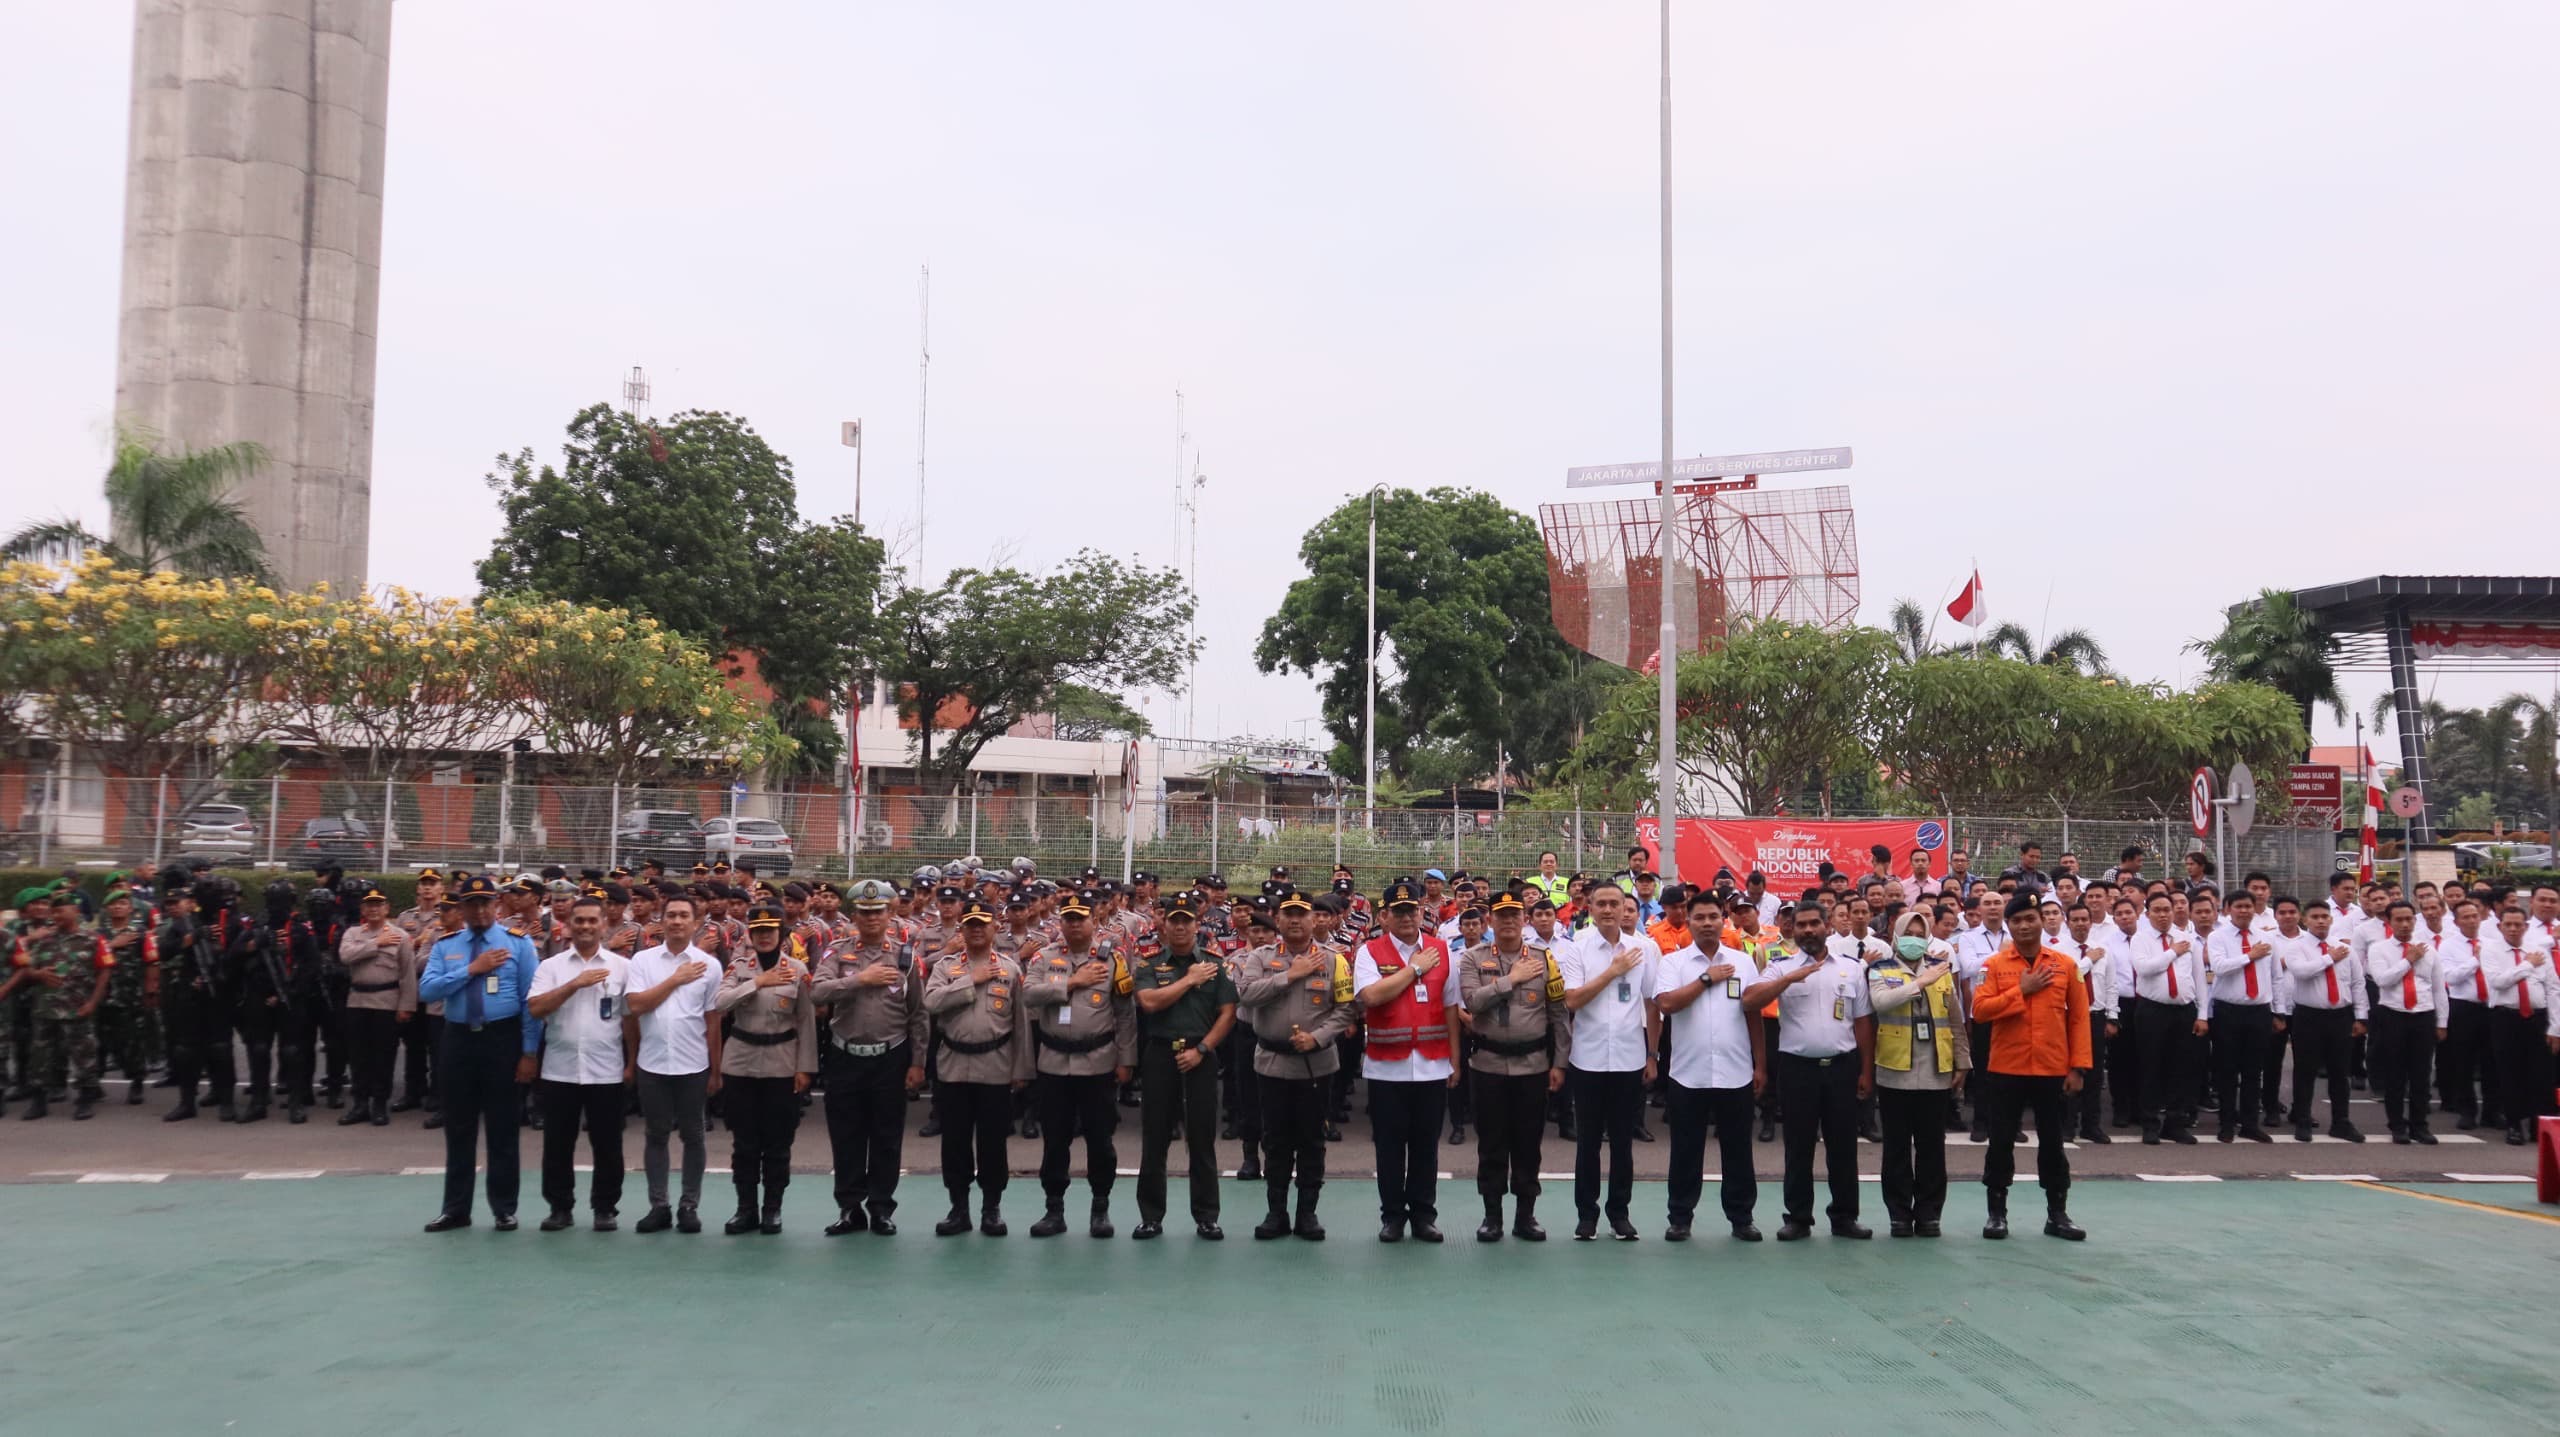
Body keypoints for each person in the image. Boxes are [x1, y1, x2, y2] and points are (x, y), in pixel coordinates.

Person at [1741, 903, 1875, 1241]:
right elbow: (1750, 1001)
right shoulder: (1779, 966)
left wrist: (1866, 1070)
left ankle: (1845, 1216)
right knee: (1798, 1146)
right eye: (1801, 925)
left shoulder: (1852, 968)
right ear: (1792, 929)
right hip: (1797, 1069)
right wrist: (1788, 979)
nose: (1809, 930)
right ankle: (1798, 1218)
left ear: (1828, 925)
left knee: (1843, 1146)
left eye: (1815, 923)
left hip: (1843, 1067)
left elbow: (1862, 1022)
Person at [416, 875, 543, 1232]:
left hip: (501, 1039)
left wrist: (529, 1052)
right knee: (458, 1128)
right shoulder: (447, 945)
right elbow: (427, 991)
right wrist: (472, 969)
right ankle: (456, 1208)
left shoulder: (518, 944)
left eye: (487, 902)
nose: (481, 909)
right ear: (463, 908)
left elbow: (529, 1003)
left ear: (497, 905)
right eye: (473, 903)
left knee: (503, 1127)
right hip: (458, 1039)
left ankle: (504, 1207)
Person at [1233, 887, 1356, 1241]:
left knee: (1312, 1140)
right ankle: (1276, 1212)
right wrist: (1291, 974)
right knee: (1275, 1141)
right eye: (1289, 914)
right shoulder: (1259, 957)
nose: (1296, 920)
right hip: (1271, 1063)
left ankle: (1307, 1213)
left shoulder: (1335, 960)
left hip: (1316, 1064)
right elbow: (1246, 994)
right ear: (1278, 920)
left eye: (1302, 914)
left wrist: (1318, 1037)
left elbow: (1346, 1008)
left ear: (1313, 919)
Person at [808, 879, 928, 1236]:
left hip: (890, 1058)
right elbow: (817, 992)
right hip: (846, 1057)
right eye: (864, 912)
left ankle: (880, 1208)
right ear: (854, 915)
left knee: (886, 1137)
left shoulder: (906, 957)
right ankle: (849, 1208)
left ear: (891, 914)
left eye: (878, 912)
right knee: (846, 1136)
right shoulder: (837, 953)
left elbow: (918, 1013)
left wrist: (918, 1061)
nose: (871, 918)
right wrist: (861, 979)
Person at [1969, 892, 2089, 1241]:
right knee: (2000, 1143)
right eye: (2017, 920)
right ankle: (1996, 1213)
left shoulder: (2065, 965)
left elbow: (2079, 1020)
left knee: (2053, 1144)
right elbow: (1981, 1011)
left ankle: (2057, 1213)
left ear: (2044, 921)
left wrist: (2078, 1067)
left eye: (2030, 918)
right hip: (2007, 1067)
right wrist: (2021, 991)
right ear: (2008, 925)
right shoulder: (1992, 965)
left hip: (2053, 1068)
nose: (2024, 925)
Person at [1018, 889, 1137, 1238]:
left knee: (1100, 1140)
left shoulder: (1113, 960)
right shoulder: (1043, 957)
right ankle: (1054, 1209)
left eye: (1079, 919)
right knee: (1055, 1140)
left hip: (1098, 1064)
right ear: (1061, 922)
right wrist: (1071, 982)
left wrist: (1127, 1060)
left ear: (1092, 922)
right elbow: (1029, 994)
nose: (1073, 926)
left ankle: (1100, 1208)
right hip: (1054, 1063)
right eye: (1067, 919)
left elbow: (1125, 1015)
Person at [1353, 877, 1462, 1243]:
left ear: (1421, 912)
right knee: (1389, 1146)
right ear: (1383, 916)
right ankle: (1393, 1217)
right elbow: (1370, 995)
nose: (1405, 917)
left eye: (1411, 910)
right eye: (1397, 911)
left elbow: (1450, 1007)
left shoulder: (1441, 949)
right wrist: (1413, 969)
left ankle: (1423, 1216)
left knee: (1426, 1146)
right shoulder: (1371, 951)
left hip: (1432, 1063)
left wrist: (1455, 1059)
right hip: (1387, 1065)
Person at [1655, 890, 1763, 1242]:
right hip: (1689, 1073)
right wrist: (1706, 979)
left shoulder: (1743, 961)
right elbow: (1667, 1004)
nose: (1706, 923)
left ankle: (1741, 1217)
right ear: (1688, 920)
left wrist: (1760, 1065)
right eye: (1699, 917)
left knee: (1738, 1150)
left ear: (1724, 920)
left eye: (1713, 917)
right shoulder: (1674, 963)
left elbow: (1753, 1015)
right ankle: (1680, 1217)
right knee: (1686, 1150)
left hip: (1735, 1072)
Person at [1555, 880, 1659, 1241]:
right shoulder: (1576, 949)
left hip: (1630, 1059)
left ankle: (1619, 1214)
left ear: (1624, 907)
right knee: (1587, 1143)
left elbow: (1651, 1003)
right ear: (1590, 906)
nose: (1609, 910)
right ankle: (1587, 1216)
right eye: (1601, 903)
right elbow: (1571, 1000)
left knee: (1623, 1143)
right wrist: (1612, 972)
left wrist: (1651, 1053)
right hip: (1588, 1060)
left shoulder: (1644, 948)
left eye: (1615, 903)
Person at [1129, 889, 1236, 1240]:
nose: (1179, 928)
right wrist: (1189, 979)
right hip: (1160, 1055)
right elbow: (1149, 1002)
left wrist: (1203, 1049)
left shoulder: (1215, 965)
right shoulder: (1149, 965)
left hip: (1200, 1056)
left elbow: (1227, 1013)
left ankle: (1207, 1216)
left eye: (1186, 921)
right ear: (1163, 925)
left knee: (1202, 1139)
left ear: (1196, 924)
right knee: (1155, 1138)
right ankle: (1151, 1215)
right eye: (1173, 921)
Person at [922, 898, 1032, 1236]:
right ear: (962, 929)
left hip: (995, 1066)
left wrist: (1021, 1070)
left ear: (994, 927)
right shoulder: (946, 967)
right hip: (954, 1065)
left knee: (992, 1142)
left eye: (982, 924)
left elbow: (1021, 1025)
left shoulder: (1011, 969)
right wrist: (971, 979)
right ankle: (959, 1207)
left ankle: (991, 1208)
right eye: (970, 924)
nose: (976, 930)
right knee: (954, 1141)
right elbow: (932, 1002)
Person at [525, 895, 631, 1231]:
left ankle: (605, 1208)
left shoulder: (622, 967)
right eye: (579, 920)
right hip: (560, 1068)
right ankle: (559, 1207)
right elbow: (536, 1008)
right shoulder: (551, 967)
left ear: (603, 924)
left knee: (608, 1144)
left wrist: (633, 1064)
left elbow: (631, 1020)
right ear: (568, 925)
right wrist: (574, 984)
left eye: (592, 921)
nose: (585, 926)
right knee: (557, 1144)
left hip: (607, 1069)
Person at [716, 902, 819, 1235]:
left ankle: (772, 1208)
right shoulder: (739, 968)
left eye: (769, 931)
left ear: (781, 933)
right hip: (742, 1062)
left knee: (777, 1143)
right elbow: (720, 1003)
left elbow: (806, 1022)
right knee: (744, 1143)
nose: (763, 937)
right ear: (750, 934)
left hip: (781, 1063)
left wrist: (805, 1068)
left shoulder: (798, 971)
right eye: (758, 931)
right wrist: (758, 982)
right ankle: (745, 1208)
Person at [623, 894, 723, 1235]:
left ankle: (689, 1206)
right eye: (671, 915)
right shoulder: (643, 961)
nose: (677, 921)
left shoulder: (710, 965)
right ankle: (659, 1205)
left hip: (693, 1065)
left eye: (684, 916)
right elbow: (635, 1006)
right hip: (653, 1063)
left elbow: (712, 1021)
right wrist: (675, 980)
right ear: (661, 921)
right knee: (656, 1135)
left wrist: (716, 1068)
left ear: (696, 923)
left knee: (694, 1136)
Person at [1867, 911, 1969, 1238]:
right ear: (1896, 936)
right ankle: (1898, 1214)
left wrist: (1962, 1061)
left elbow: (1955, 1019)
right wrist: (1919, 983)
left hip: (1936, 1071)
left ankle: (1929, 1214)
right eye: (1907, 932)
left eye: (1919, 932)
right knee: (1896, 1148)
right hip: (1895, 1072)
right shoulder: (1880, 969)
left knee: (1932, 1149)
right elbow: (1881, 1002)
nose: (1913, 938)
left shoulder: (1941, 970)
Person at [3, 893, 112, 1120]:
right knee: (40, 1055)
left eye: (60, 911)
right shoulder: (45, 939)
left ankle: (85, 1099)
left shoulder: (93, 939)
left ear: (75, 911)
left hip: (77, 1007)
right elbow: (26, 968)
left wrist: (93, 1002)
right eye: (53, 912)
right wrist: (39, 973)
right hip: (46, 1009)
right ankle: (39, 1101)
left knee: (83, 1054)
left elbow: (105, 971)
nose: (55, 916)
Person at [2363, 900, 2447, 1144]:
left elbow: (2438, 988)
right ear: (2389, 922)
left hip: (2423, 1015)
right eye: (2399, 919)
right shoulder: (2379, 949)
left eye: (2409, 919)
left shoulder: (2428, 949)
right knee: (2395, 1074)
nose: (2404, 924)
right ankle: (2397, 1125)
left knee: (2421, 1074)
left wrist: (2442, 1021)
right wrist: (2408, 960)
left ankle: (2420, 1125)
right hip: (2393, 1014)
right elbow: (2382, 980)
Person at [2128, 890, 2205, 1145]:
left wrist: (2202, 1013)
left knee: (2181, 1068)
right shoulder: (2141, 939)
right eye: (2157, 910)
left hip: (2183, 1011)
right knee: (2151, 1067)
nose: (2163, 915)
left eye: (2167, 910)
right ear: (2147, 913)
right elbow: (2144, 969)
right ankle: (2150, 1123)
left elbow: (2198, 978)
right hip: (2152, 1010)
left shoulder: (2187, 939)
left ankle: (2175, 1123)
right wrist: (2171, 952)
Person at [2202, 890, 2279, 1144]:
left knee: (2253, 1071)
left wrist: (2277, 1010)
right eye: (2238, 906)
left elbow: (2276, 976)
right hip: (2228, 1010)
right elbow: (2220, 967)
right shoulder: (2217, 937)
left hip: (2259, 1010)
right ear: (2228, 909)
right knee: (2226, 1070)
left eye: (2248, 906)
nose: (2244, 910)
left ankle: (2250, 1124)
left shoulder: (2266, 937)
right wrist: (2250, 956)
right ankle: (2226, 1123)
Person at [2481, 905, 2553, 1144]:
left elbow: (2552, 988)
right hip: (2506, 1017)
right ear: (2500, 926)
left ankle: (2536, 1125)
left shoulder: (2538, 951)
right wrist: (2526, 966)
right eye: (2508, 925)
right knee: (2510, 1071)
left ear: (2526, 926)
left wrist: (2556, 1026)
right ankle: (2513, 1124)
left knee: (2540, 1073)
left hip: (2537, 1017)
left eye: (2518, 925)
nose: (2513, 929)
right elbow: (2498, 982)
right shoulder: (2491, 950)